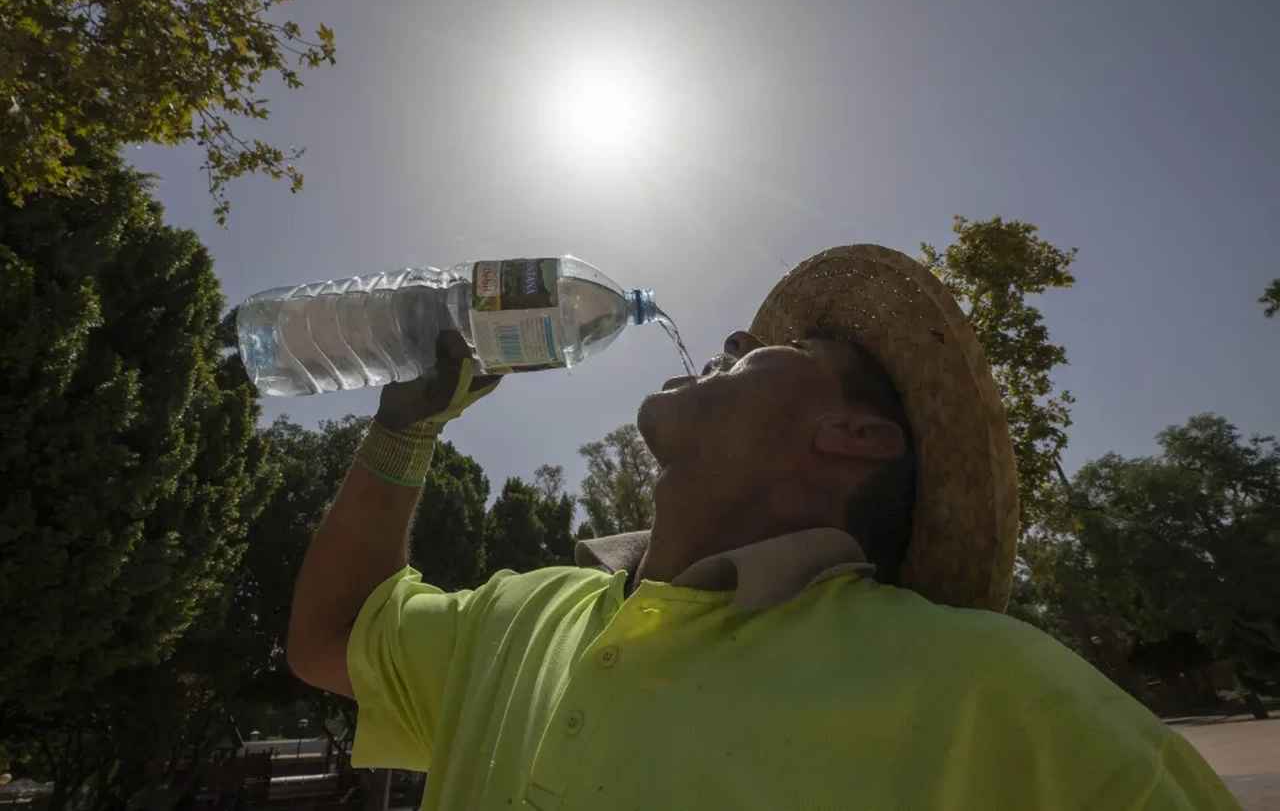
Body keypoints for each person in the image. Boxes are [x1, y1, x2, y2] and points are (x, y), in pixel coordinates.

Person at [287, 246, 1241, 810]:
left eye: (778, 348)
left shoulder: (990, 691)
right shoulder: (524, 614)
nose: (735, 340)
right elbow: (329, 640)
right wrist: (404, 427)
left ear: (852, 436)